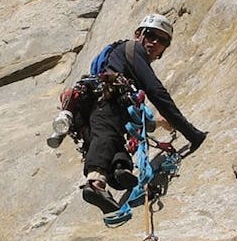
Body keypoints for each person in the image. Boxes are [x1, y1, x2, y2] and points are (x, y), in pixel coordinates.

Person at [79, 13, 206, 213]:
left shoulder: (121, 60)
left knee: (114, 141)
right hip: (106, 104)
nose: (154, 43)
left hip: (106, 109)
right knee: (105, 136)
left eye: (162, 40)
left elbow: (136, 122)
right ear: (139, 34)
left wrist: (161, 123)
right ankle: (95, 185)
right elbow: (156, 92)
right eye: (150, 35)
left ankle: (120, 171)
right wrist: (191, 134)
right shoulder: (132, 50)